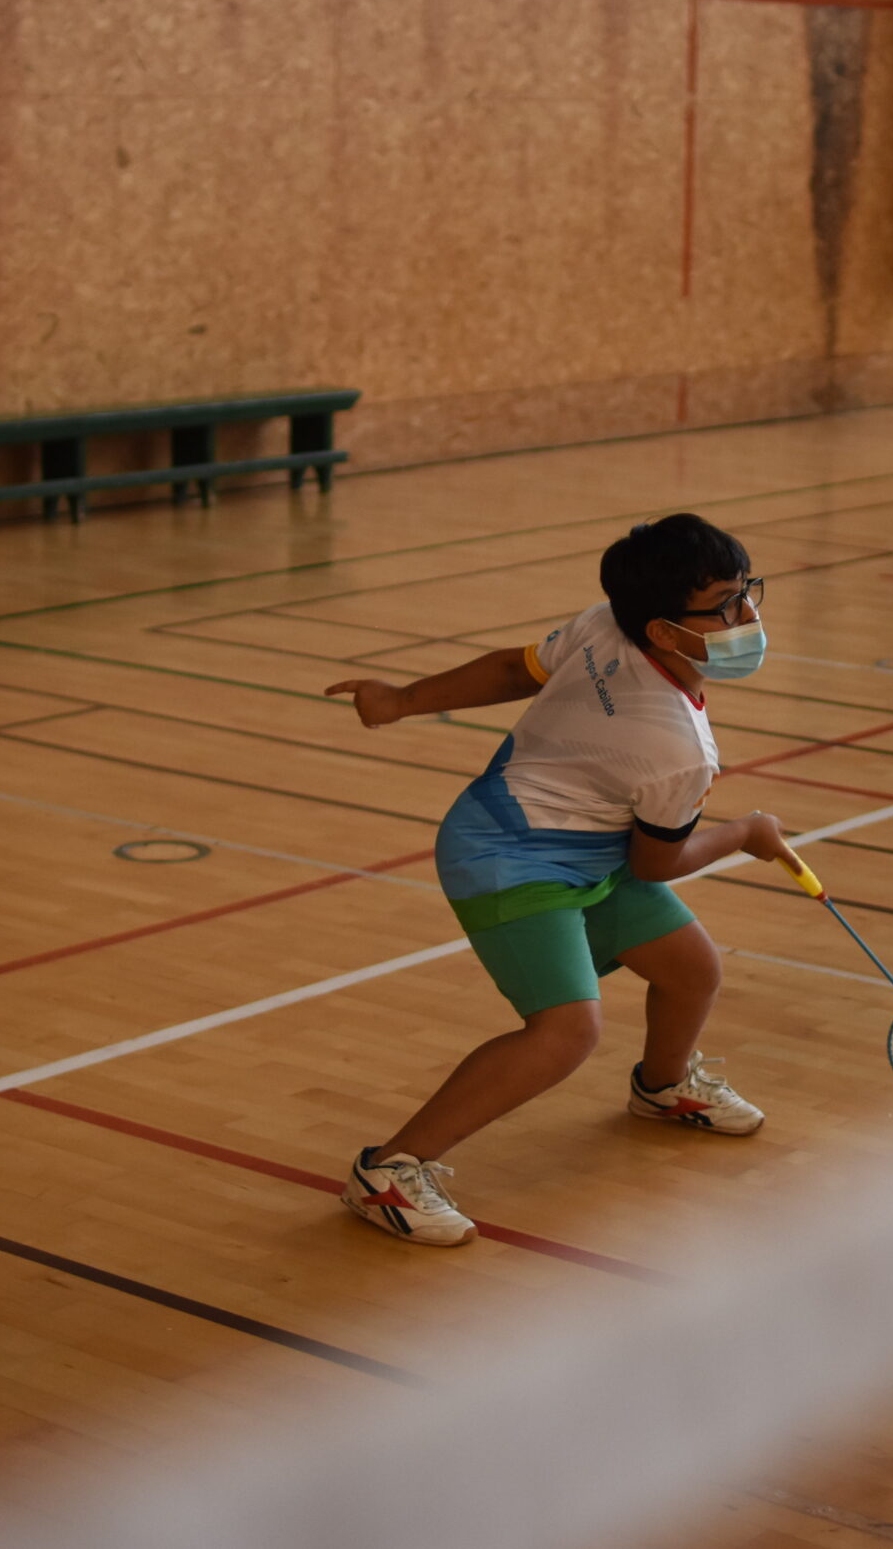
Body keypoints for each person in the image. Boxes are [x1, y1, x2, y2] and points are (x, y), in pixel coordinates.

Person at [323, 514, 799, 1245]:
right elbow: (656, 862)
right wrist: (747, 834)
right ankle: (388, 1171)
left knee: (691, 969)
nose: (749, 616)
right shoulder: (678, 749)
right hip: (507, 855)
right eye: (729, 603)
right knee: (566, 1031)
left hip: (587, 844)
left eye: (748, 592)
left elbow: (519, 670)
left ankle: (663, 1087)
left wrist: (400, 699)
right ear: (666, 631)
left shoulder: (611, 623)